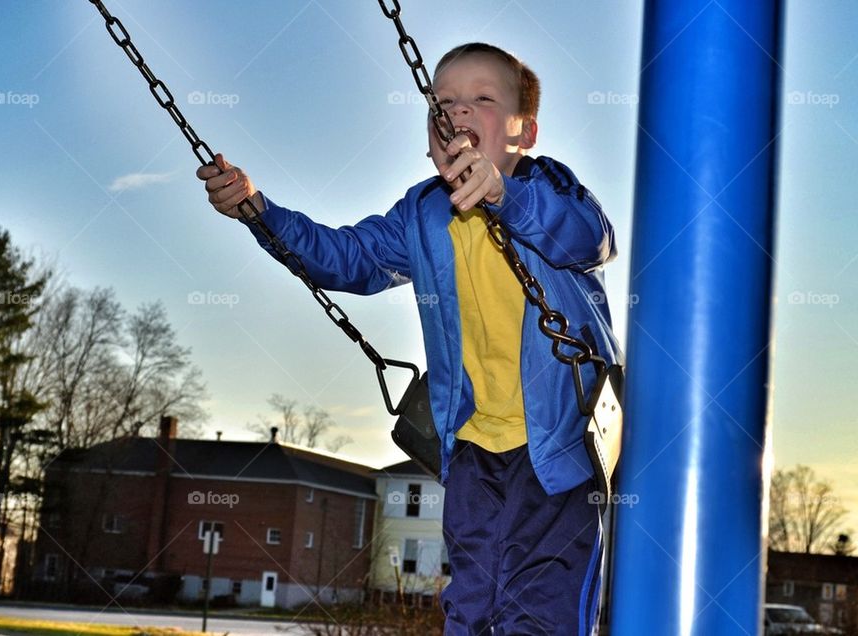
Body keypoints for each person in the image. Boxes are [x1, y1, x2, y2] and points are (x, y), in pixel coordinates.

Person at [197, 42, 622, 636]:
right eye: (442, 103)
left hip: (557, 445)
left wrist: (504, 194)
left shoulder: (548, 188)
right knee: (471, 603)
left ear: (524, 131)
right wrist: (258, 210)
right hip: (473, 449)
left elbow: (590, 239)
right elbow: (348, 256)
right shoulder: (423, 212)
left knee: (543, 605)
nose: (458, 113)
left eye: (482, 99)